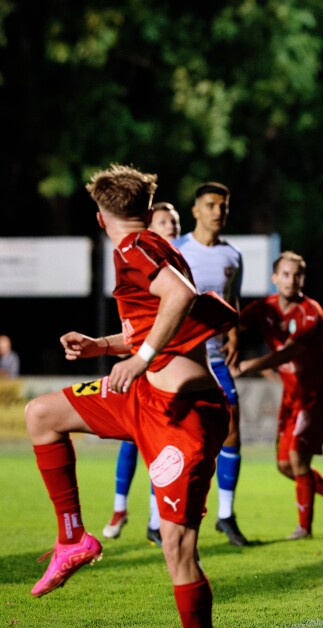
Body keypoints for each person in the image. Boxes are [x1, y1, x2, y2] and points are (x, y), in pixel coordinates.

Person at [24, 164, 235, 626]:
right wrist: (104, 346)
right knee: (41, 414)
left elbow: (178, 297)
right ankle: (73, 538)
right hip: (142, 396)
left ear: (101, 218)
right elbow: (156, 319)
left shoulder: (135, 247)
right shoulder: (156, 246)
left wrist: (141, 359)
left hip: (183, 413)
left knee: (179, 551)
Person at [232, 251, 323, 540]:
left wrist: (248, 364)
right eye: (285, 274)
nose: (291, 280)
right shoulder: (265, 307)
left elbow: (289, 351)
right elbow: (232, 321)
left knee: (297, 457)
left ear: (303, 279)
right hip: (292, 392)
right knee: (285, 465)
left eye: (297, 275)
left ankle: (304, 528)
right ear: (274, 278)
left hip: (317, 390)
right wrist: (229, 335)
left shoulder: (311, 312)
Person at [103, 200, 183, 547]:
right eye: (165, 220)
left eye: (175, 222)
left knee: (161, 443)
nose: (172, 226)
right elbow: (137, 329)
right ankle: (121, 509)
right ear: (150, 222)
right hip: (144, 364)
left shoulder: (168, 260)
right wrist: (102, 346)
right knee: (133, 439)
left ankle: (157, 517)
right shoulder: (137, 255)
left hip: (168, 369)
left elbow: (183, 299)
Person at [173, 182, 248, 546]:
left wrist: (234, 332)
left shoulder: (233, 256)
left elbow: (232, 302)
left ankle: (225, 515)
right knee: (177, 437)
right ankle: (160, 519)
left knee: (232, 430)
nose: (218, 211)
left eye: (223, 205)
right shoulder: (176, 250)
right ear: (195, 210)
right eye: (211, 205)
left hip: (216, 359)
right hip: (179, 359)